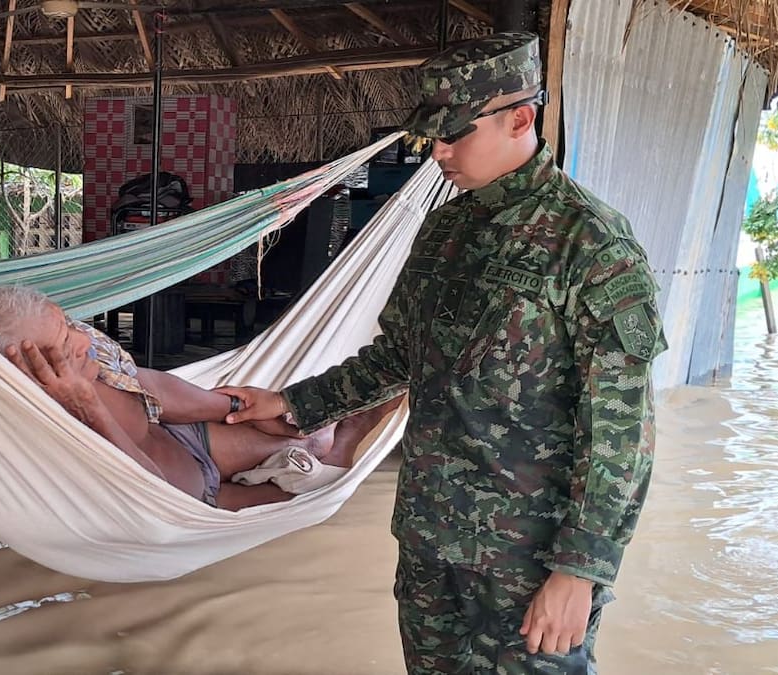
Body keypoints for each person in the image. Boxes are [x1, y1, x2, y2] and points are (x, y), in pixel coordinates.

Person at [219, 32, 667, 673]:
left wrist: (581, 571)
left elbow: (621, 432)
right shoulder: (444, 230)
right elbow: (398, 356)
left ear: (520, 118)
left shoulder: (591, 243)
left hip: (527, 563)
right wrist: (295, 404)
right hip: (431, 544)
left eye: (455, 133)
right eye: (431, 135)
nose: (438, 152)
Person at [0, 285, 397, 511]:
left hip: (180, 433)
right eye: (63, 345)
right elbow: (145, 494)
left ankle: (314, 437)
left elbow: (148, 387)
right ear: (18, 373)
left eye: (69, 325)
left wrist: (237, 406)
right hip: (184, 496)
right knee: (302, 495)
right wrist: (86, 406)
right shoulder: (32, 426)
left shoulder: (80, 344)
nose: (81, 341)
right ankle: (342, 444)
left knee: (303, 444)